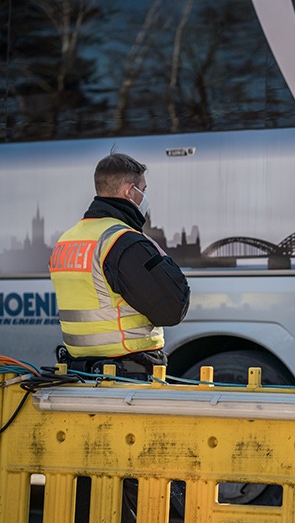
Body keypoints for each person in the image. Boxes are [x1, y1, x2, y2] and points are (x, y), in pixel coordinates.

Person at [49, 152, 190, 380]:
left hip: (78, 373)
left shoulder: (67, 240)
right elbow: (173, 307)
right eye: (144, 189)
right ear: (129, 191)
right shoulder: (122, 242)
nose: (145, 196)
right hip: (127, 375)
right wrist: (161, 257)